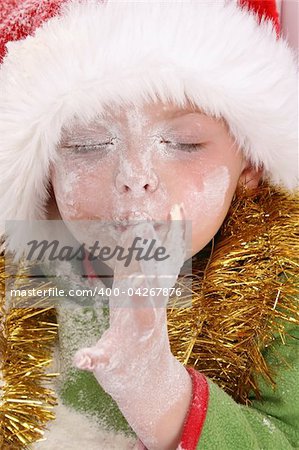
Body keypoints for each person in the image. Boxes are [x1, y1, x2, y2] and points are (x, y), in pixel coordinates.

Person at [0, 1, 298, 449]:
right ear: (43, 169)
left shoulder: (284, 285)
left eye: (184, 142)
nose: (134, 176)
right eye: (88, 144)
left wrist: (158, 393)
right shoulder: (23, 268)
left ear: (250, 165)